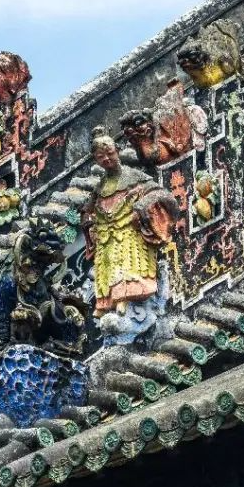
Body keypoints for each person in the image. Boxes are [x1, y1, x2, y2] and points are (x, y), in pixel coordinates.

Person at [84, 127, 179, 346]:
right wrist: (88, 221)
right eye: (100, 157)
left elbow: (161, 194)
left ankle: (127, 300)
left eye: (110, 153)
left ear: (117, 151)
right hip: (108, 235)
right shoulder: (100, 187)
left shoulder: (134, 177)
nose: (106, 159)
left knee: (128, 264)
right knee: (108, 266)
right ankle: (109, 302)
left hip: (128, 232)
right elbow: (87, 209)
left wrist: (142, 206)